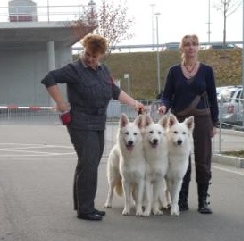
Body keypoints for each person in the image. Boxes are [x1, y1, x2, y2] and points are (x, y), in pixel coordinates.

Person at [41, 33, 144, 221]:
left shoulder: (104, 71)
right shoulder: (74, 69)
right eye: (87, 54)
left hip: (98, 122)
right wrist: (61, 103)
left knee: (88, 163)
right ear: (84, 49)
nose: (89, 58)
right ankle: (86, 209)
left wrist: (134, 103)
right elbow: (49, 79)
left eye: (94, 56)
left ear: (101, 55)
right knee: (88, 163)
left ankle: (81, 204)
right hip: (80, 122)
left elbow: (115, 91)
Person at [158, 34, 219, 214]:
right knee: (179, 160)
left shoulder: (206, 71)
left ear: (198, 47)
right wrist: (164, 106)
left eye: (194, 44)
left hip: (201, 119)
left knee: (203, 159)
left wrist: (214, 122)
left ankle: (202, 201)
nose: (191, 47)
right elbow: (167, 95)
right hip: (179, 122)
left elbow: (213, 98)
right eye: (187, 45)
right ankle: (181, 200)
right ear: (182, 49)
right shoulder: (174, 71)